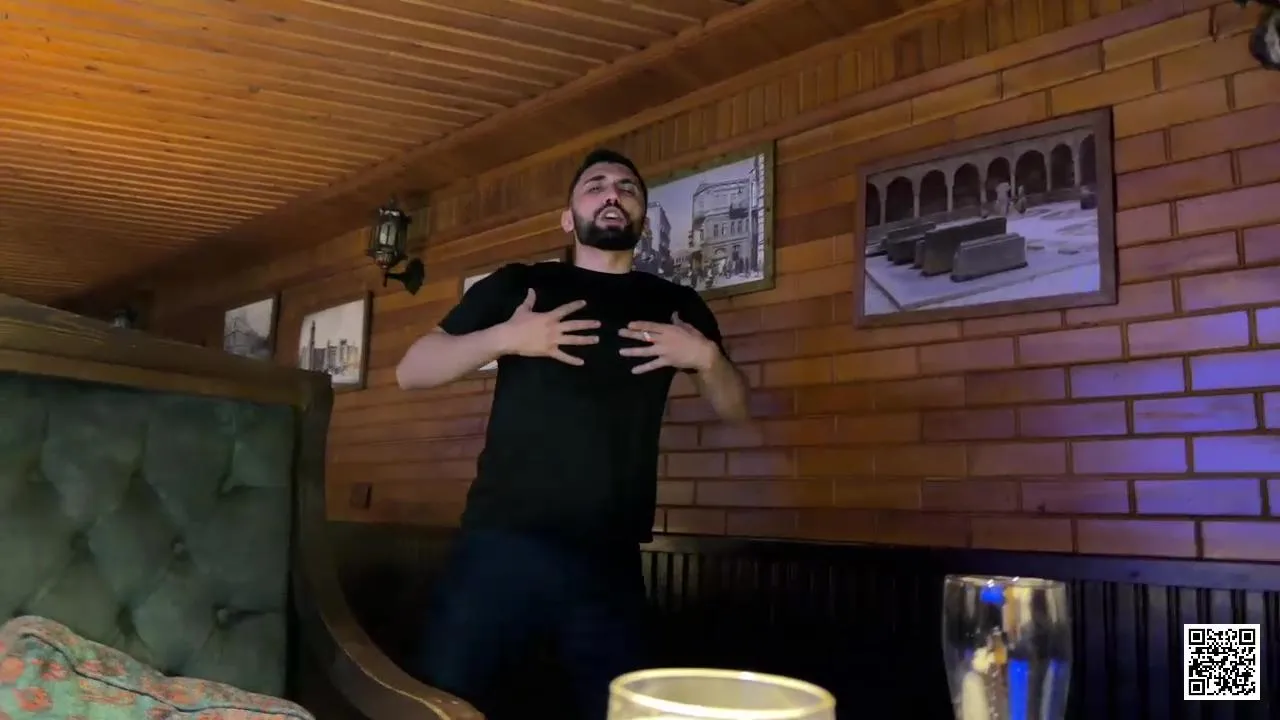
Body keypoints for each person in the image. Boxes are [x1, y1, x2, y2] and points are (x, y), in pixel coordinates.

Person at [395, 148, 750, 720]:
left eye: (627, 188)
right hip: (500, 544)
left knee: (621, 712)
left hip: (610, 557)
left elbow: (736, 409)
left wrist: (707, 358)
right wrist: (507, 339)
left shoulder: (676, 304)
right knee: (447, 706)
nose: (613, 193)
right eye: (596, 185)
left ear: (641, 217)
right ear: (568, 218)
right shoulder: (521, 285)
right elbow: (412, 370)